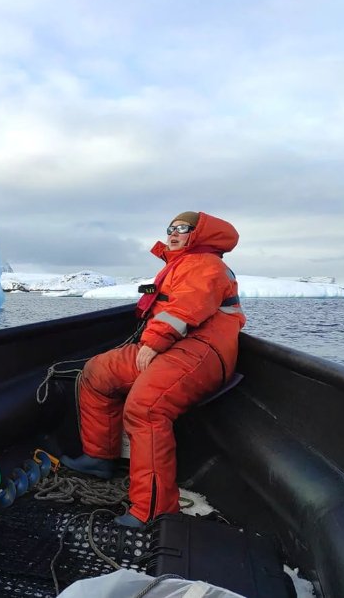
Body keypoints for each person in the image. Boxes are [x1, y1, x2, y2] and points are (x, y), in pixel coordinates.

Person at [61, 211, 245, 528]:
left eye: (183, 228)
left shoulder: (206, 265)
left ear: (201, 234)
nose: (173, 233)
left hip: (202, 352)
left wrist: (154, 341)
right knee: (97, 373)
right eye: (171, 228)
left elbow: (187, 306)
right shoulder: (179, 264)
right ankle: (98, 457)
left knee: (145, 408)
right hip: (172, 347)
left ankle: (154, 509)